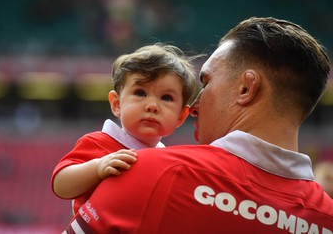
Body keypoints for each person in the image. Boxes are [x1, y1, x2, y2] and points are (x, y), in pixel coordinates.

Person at [64, 17, 333, 234]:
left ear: (246, 88)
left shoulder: (148, 171)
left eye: (205, 83)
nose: (193, 106)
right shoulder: (327, 218)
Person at [51, 43, 199, 214]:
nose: (152, 105)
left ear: (181, 116)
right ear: (116, 104)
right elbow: (61, 185)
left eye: (166, 97)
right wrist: (97, 167)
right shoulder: (99, 142)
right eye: (140, 93)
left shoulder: (168, 161)